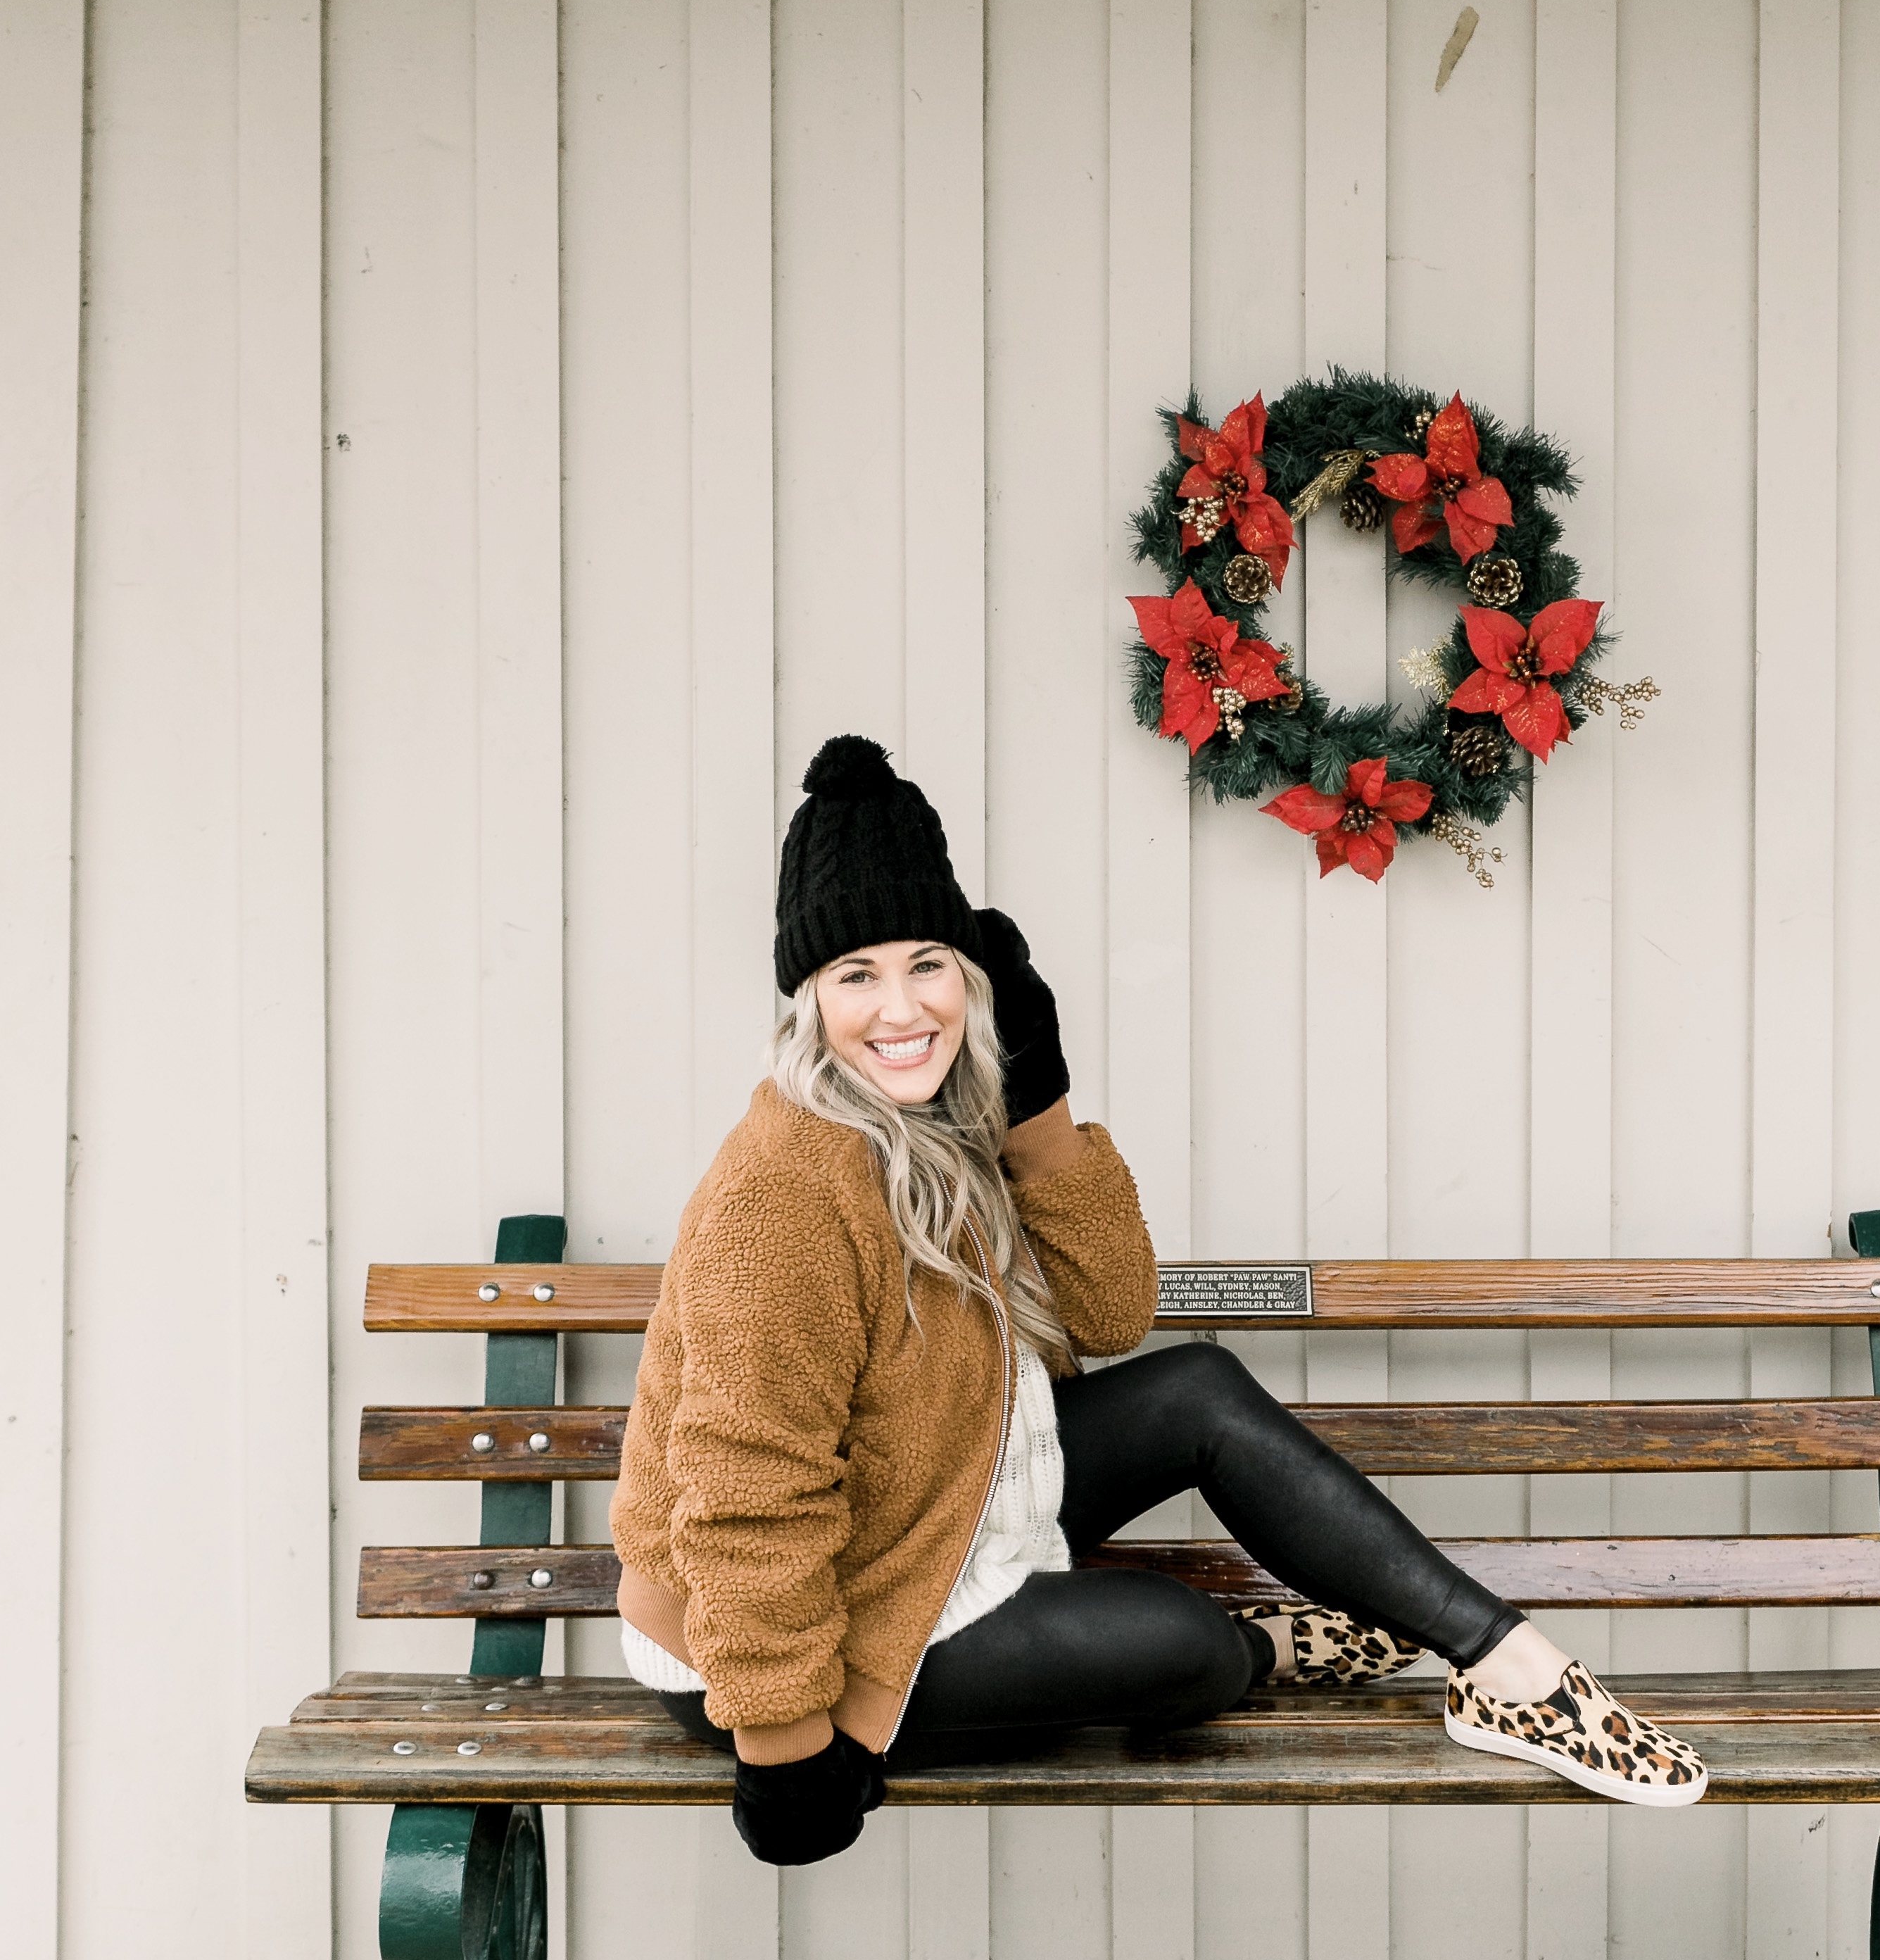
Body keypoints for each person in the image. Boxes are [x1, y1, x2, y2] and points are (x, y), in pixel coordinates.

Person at [612, 736, 1705, 1868]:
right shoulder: (781, 1195)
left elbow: (1110, 1312)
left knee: (1195, 1388)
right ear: (806, 1004)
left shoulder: (930, 1129)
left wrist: (1034, 1100)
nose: (901, 1008)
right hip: (783, 1648)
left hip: (929, 1513)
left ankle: (1507, 1668)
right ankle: (1264, 1650)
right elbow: (747, 1491)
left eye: (927, 963)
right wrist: (787, 1754)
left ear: (970, 976)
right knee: (1180, 1639)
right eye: (856, 976)